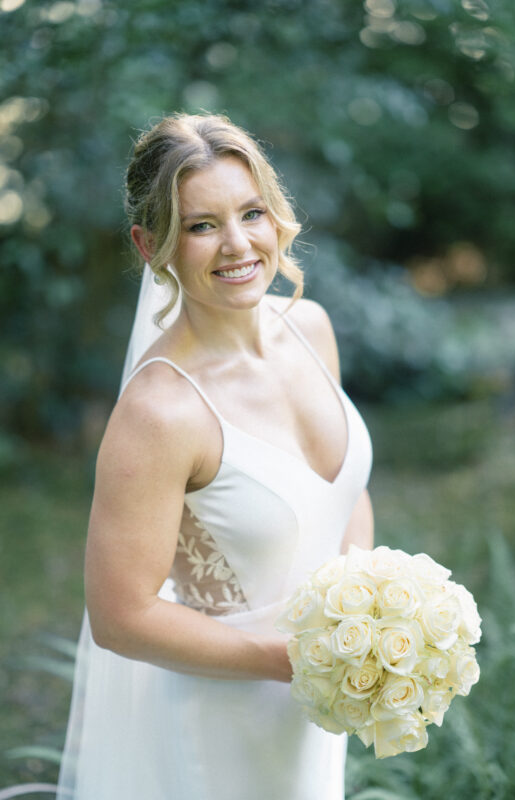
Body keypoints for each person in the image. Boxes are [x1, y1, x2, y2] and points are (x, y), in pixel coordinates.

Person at [56, 112, 374, 800]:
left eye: (250, 213)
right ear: (151, 246)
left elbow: (343, 499)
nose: (237, 245)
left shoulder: (311, 329)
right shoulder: (159, 412)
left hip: (319, 707)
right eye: (202, 226)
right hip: (223, 726)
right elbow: (121, 616)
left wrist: (375, 616)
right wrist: (290, 660)